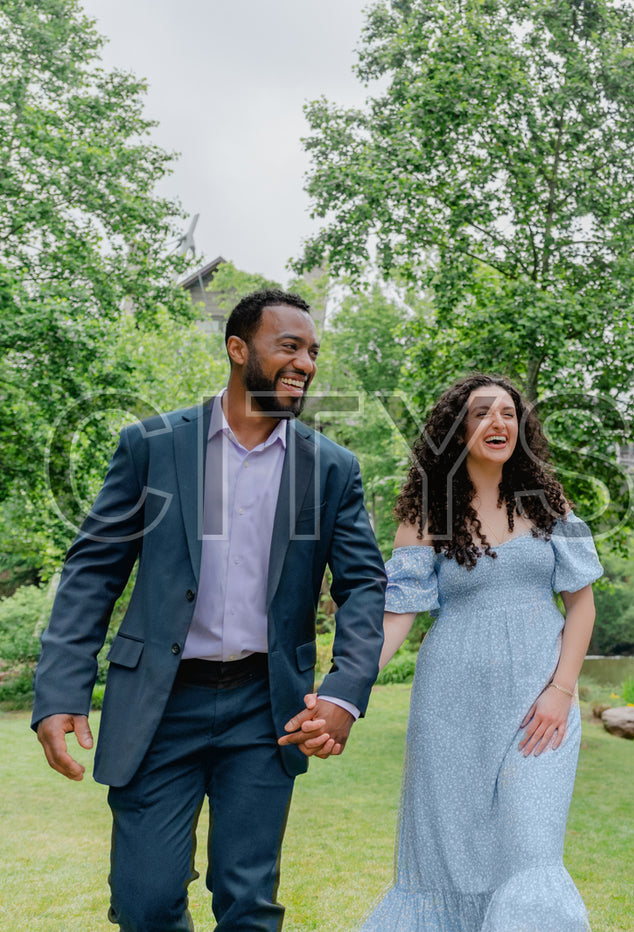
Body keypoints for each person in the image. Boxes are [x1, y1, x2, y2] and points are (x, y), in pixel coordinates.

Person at [32, 289, 387, 930]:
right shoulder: (152, 445)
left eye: (312, 351)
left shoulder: (331, 468)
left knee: (248, 901)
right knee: (144, 902)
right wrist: (61, 691)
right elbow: (93, 570)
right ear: (237, 349)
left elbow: (363, 586)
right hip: (159, 704)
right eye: (289, 346)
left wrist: (344, 691)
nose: (305, 362)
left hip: (265, 705)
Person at [300, 373, 601, 930]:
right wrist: (347, 684)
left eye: (509, 413)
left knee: (532, 851)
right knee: (449, 862)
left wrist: (561, 692)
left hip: (541, 708)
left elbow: (582, 606)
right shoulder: (428, 511)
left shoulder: (551, 501)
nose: (498, 423)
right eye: (482, 413)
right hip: (450, 708)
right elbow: (398, 613)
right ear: (456, 429)